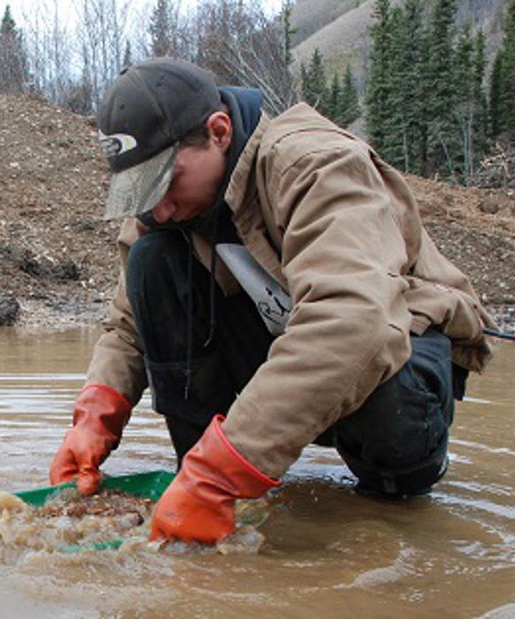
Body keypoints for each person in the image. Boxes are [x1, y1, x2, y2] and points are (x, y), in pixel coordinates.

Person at [48, 58, 496, 545]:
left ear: (218, 132)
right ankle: (200, 478)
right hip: (275, 349)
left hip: (395, 345)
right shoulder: (165, 215)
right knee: (151, 258)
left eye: (166, 181)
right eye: (142, 190)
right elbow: (127, 327)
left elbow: (355, 324)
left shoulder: (314, 164)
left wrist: (222, 473)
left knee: (392, 463)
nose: (158, 207)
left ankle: (387, 479)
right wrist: (96, 416)